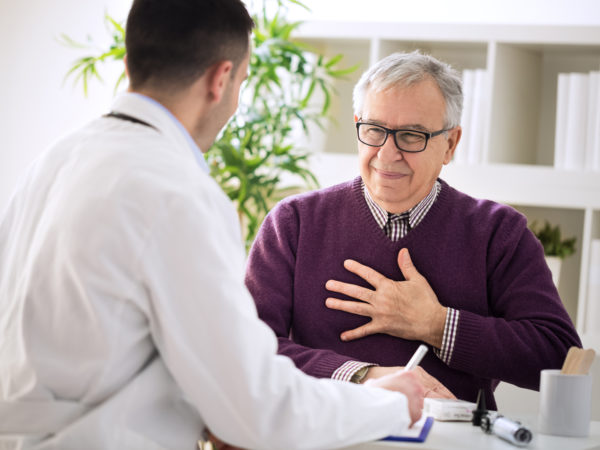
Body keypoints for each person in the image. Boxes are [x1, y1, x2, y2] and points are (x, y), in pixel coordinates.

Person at [0, 2, 427, 449]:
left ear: (131, 64)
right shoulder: (176, 192)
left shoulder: (53, 161)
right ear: (220, 79)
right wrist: (387, 402)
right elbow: (258, 410)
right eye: (241, 82)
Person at [245, 51, 582, 411]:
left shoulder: (498, 232)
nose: (387, 154)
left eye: (411, 136)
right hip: (326, 434)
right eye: (374, 130)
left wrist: (437, 324)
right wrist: (364, 377)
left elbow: (559, 357)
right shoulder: (293, 223)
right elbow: (248, 345)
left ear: (450, 144)